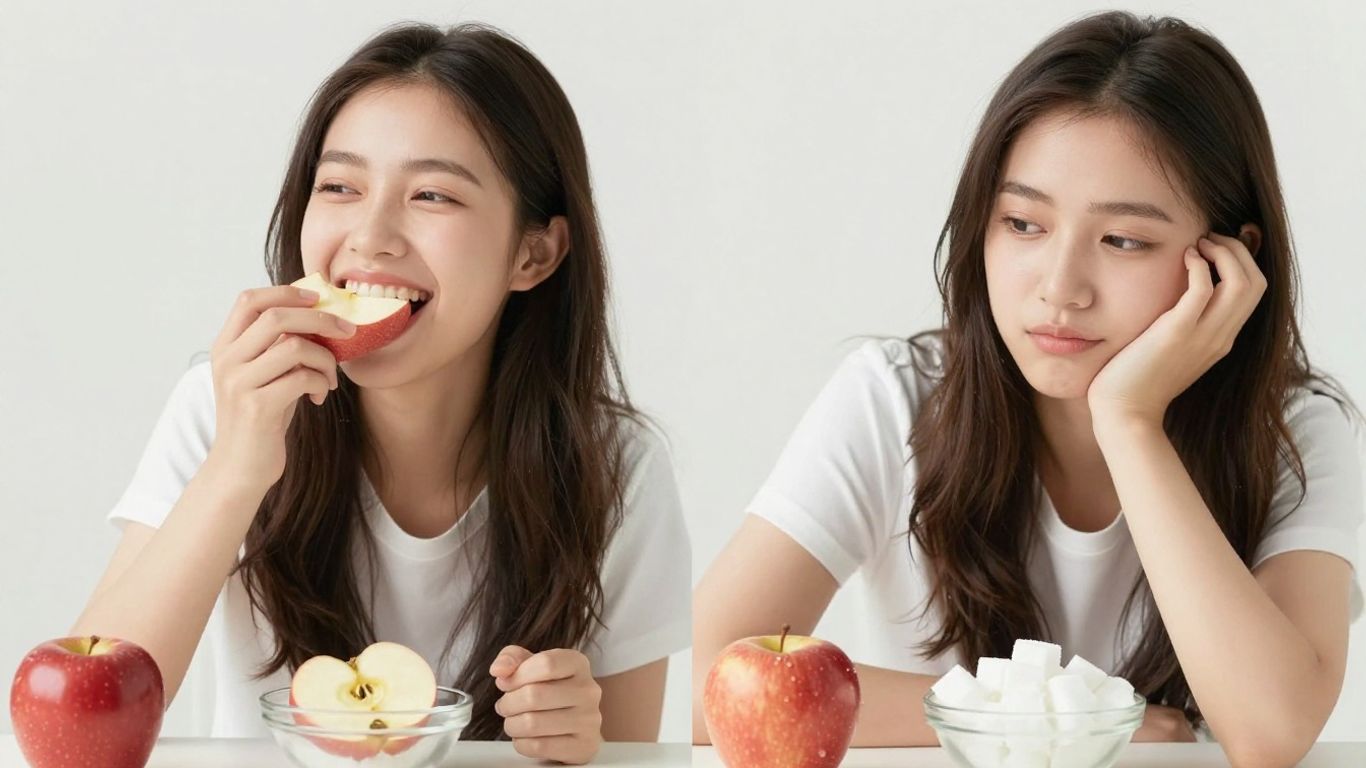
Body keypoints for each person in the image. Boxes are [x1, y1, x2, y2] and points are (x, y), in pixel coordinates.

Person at [693, 12, 1363, 766]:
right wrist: (1044, 720)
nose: (1059, 288)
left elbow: (1272, 732)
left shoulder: (1298, 429)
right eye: (1022, 223)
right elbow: (706, 687)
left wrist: (1130, 420)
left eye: (1124, 241)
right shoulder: (896, 399)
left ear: (1227, 265)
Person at [72, 22, 690, 765]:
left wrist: (575, 734)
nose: (370, 236)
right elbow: (87, 717)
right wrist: (237, 466)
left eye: (431, 195)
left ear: (534, 253)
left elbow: (625, 752)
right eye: (339, 187)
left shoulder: (615, 466)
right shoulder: (223, 404)